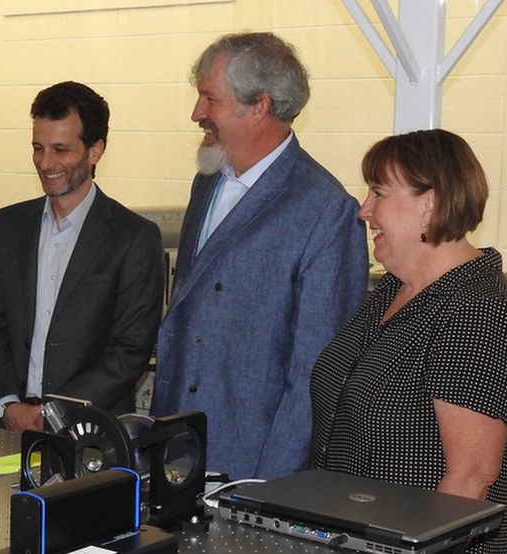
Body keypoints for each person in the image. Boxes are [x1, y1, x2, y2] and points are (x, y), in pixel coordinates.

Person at [308, 129, 507, 553]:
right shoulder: (393, 293)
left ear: (428, 205)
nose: (364, 210)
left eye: (379, 193)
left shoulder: (476, 312)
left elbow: (470, 480)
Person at [150, 32, 369, 480]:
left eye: (209, 99)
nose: (197, 113)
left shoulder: (325, 212)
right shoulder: (207, 182)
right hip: (176, 453)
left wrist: (271, 488)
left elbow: (316, 373)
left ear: (259, 106)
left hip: (253, 467)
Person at [0, 82, 165, 433]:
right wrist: (7, 404)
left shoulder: (133, 237)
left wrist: (53, 414)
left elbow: (130, 350)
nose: (46, 163)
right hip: (10, 424)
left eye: (60, 149)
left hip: (89, 431)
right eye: (38, 148)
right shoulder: (9, 224)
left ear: (95, 151)